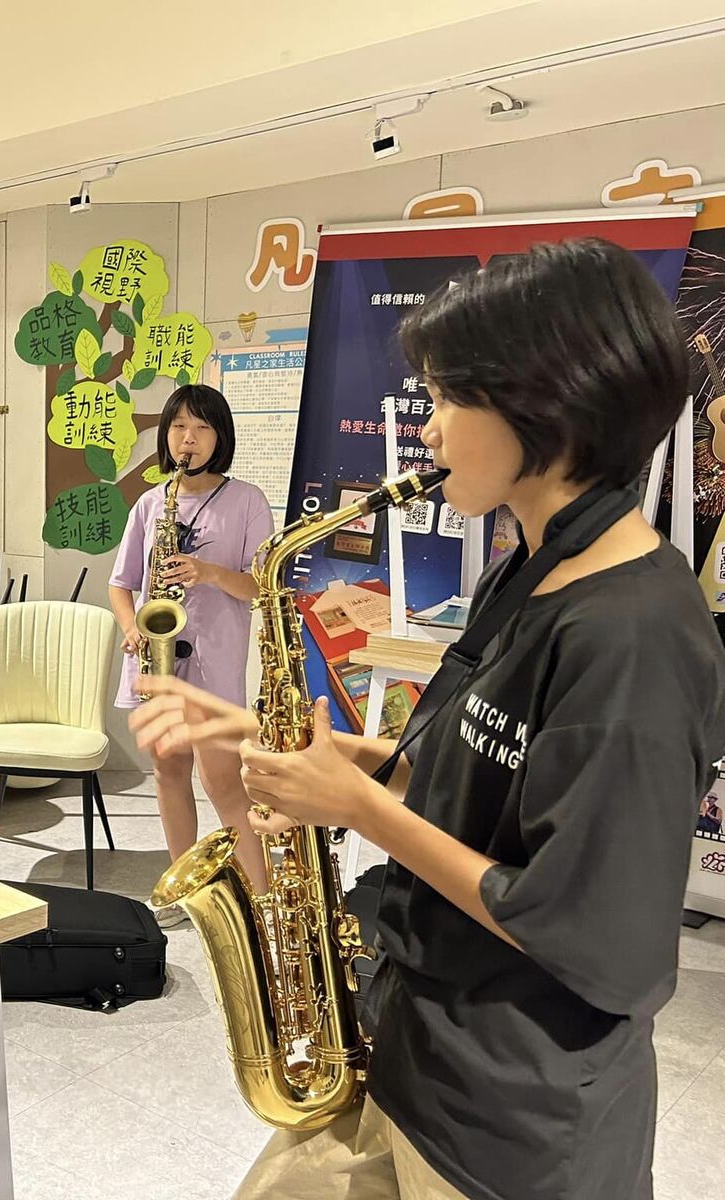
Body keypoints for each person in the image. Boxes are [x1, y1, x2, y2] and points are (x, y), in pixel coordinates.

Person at [133, 239, 725, 1200]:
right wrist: (305, 748)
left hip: (515, 1130)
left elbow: (592, 935)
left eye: (449, 399)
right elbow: (482, 784)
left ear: (549, 405)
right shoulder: (527, 570)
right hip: (412, 1049)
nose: (430, 431)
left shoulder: (636, 635)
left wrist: (355, 808)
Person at [108, 384, 274, 917]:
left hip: (215, 662)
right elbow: (121, 584)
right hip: (158, 658)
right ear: (166, 435)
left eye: (202, 428)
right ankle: (183, 893)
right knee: (169, 771)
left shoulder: (247, 500)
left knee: (223, 782)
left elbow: (260, 585)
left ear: (220, 437)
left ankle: (260, 899)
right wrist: (131, 627)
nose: (189, 438)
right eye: (179, 426)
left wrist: (207, 572)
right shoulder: (149, 503)